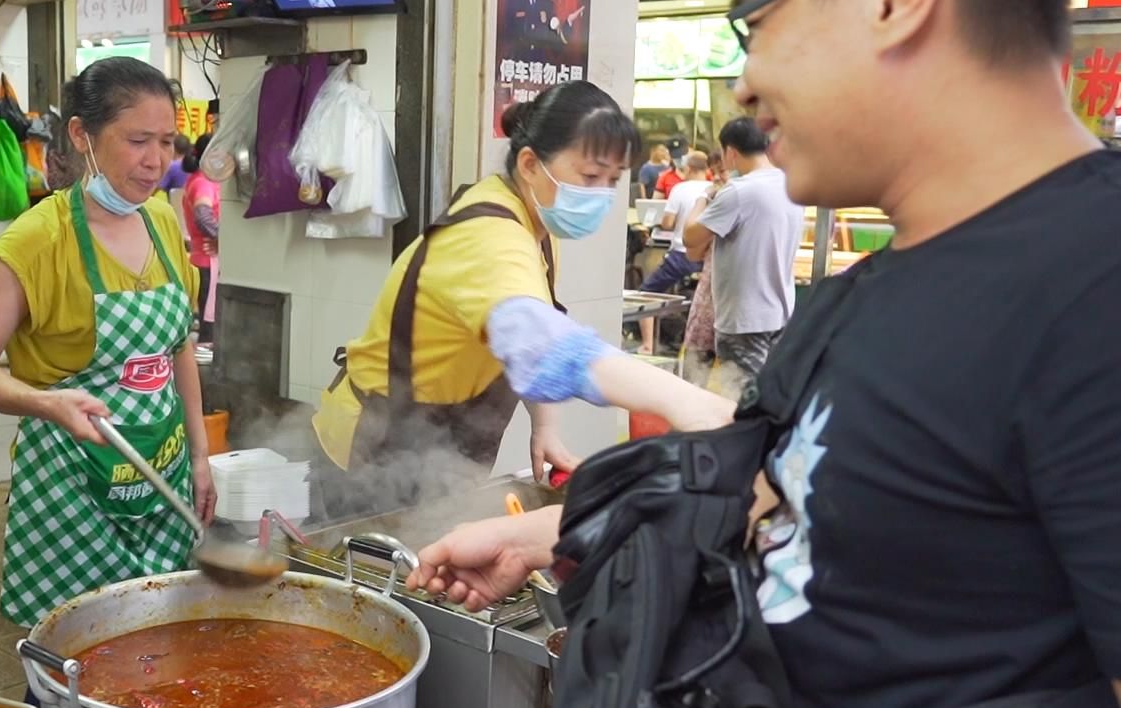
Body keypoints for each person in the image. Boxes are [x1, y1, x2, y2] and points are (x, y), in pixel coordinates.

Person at [410, 0, 1121, 708]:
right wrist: (536, 536)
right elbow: (758, 488)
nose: (745, 85)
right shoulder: (865, 292)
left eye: (753, 22)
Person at [311, 80, 731, 519]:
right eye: (590, 176)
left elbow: (534, 323)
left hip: (446, 449)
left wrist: (544, 424)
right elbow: (542, 344)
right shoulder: (488, 236)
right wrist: (689, 402)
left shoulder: (534, 223)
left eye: (612, 181)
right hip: (376, 450)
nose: (601, 195)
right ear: (530, 164)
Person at [0, 57, 214, 630]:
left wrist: (199, 453)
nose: (156, 161)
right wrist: (47, 403)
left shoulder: (163, 219)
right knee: (79, 649)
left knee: (159, 634)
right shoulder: (39, 238)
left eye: (166, 142)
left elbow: (178, 347)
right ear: (81, 136)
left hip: (155, 470)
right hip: (71, 486)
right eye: (137, 140)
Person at [683, 116, 802, 390]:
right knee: (767, 395)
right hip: (780, 314)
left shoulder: (738, 192)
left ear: (731, 152)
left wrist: (703, 197)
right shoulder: (788, 184)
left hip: (743, 319)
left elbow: (691, 236)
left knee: (738, 401)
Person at [637, 151, 712, 354]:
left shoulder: (680, 189)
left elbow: (668, 222)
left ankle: (647, 345)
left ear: (688, 169)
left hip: (681, 255)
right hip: (707, 259)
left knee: (646, 293)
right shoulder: (715, 190)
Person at [181, 133, 219, 346]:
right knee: (209, 328)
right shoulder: (203, 182)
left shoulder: (201, 179)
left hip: (206, 259)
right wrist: (224, 239)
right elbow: (202, 214)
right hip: (206, 261)